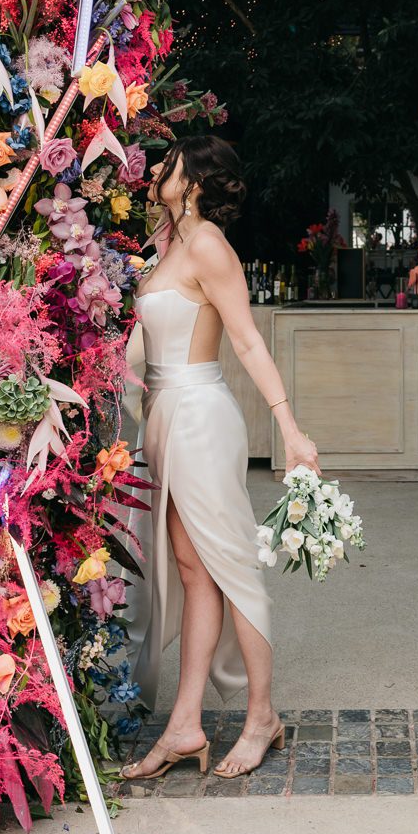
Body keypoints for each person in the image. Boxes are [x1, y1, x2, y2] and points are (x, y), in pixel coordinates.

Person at [119, 135, 320, 782]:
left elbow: (247, 341)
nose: (155, 169)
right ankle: (184, 726)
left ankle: (261, 715)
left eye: (168, 163)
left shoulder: (207, 246)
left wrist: (290, 429)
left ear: (196, 180)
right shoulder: (169, 242)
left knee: (231, 569)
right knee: (191, 569)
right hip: (165, 417)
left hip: (202, 418)